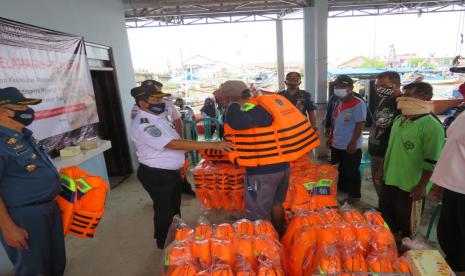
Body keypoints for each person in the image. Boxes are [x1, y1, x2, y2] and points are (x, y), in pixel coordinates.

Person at [130, 85, 233, 249]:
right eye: (155, 99)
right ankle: (165, 243)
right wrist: (211, 145)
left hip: (169, 172)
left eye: (161, 98)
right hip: (157, 174)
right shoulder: (144, 124)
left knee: (173, 207)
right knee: (165, 209)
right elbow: (171, 143)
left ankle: (176, 235)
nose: (161, 102)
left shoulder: (159, 117)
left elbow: (175, 138)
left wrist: (179, 164)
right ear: (142, 104)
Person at [218, 80, 319, 236]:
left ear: (226, 97)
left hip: (262, 172)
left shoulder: (241, 110)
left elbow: (237, 122)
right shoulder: (260, 106)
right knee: (276, 205)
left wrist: (232, 104)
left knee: (257, 214)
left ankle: (266, 248)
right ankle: (281, 235)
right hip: (281, 167)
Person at [0, 87, 66, 275]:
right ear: (2, 111)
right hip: (23, 217)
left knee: (55, 264)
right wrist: (8, 228)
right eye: (22, 107)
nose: (29, 111)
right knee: (33, 269)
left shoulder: (24, 136)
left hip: (48, 209)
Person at [380, 82, 444, 239]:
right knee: (387, 220)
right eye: (403, 95)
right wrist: (383, 169)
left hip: (410, 186)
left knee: (407, 226)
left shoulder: (432, 126)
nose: (403, 99)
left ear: (424, 98)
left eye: (408, 96)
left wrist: (421, 186)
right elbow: (391, 148)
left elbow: (432, 161)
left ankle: (404, 253)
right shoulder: (400, 120)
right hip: (390, 180)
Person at [429, 111, 465, 276]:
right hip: (453, 186)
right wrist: (438, 183)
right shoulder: (463, 115)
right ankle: (456, 268)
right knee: (449, 234)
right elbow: (451, 150)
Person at [327, 75, 367, 203]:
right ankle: (342, 191)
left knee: (351, 171)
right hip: (336, 143)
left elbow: (360, 124)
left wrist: (353, 142)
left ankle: (354, 195)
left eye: (342, 86)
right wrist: (331, 136)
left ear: (350, 88)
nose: (339, 89)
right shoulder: (338, 101)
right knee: (338, 170)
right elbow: (335, 121)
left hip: (350, 144)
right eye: (337, 86)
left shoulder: (358, 103)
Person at [368, 71, 402, 199]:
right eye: (377, 86)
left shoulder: (401, 103)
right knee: (378, 185)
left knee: (387, 187)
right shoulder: (383, 100)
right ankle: (382, 211)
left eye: (382, 85)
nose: (378, 89)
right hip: (375, 150)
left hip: (388, 153)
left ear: (397, 84)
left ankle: (387, 214)